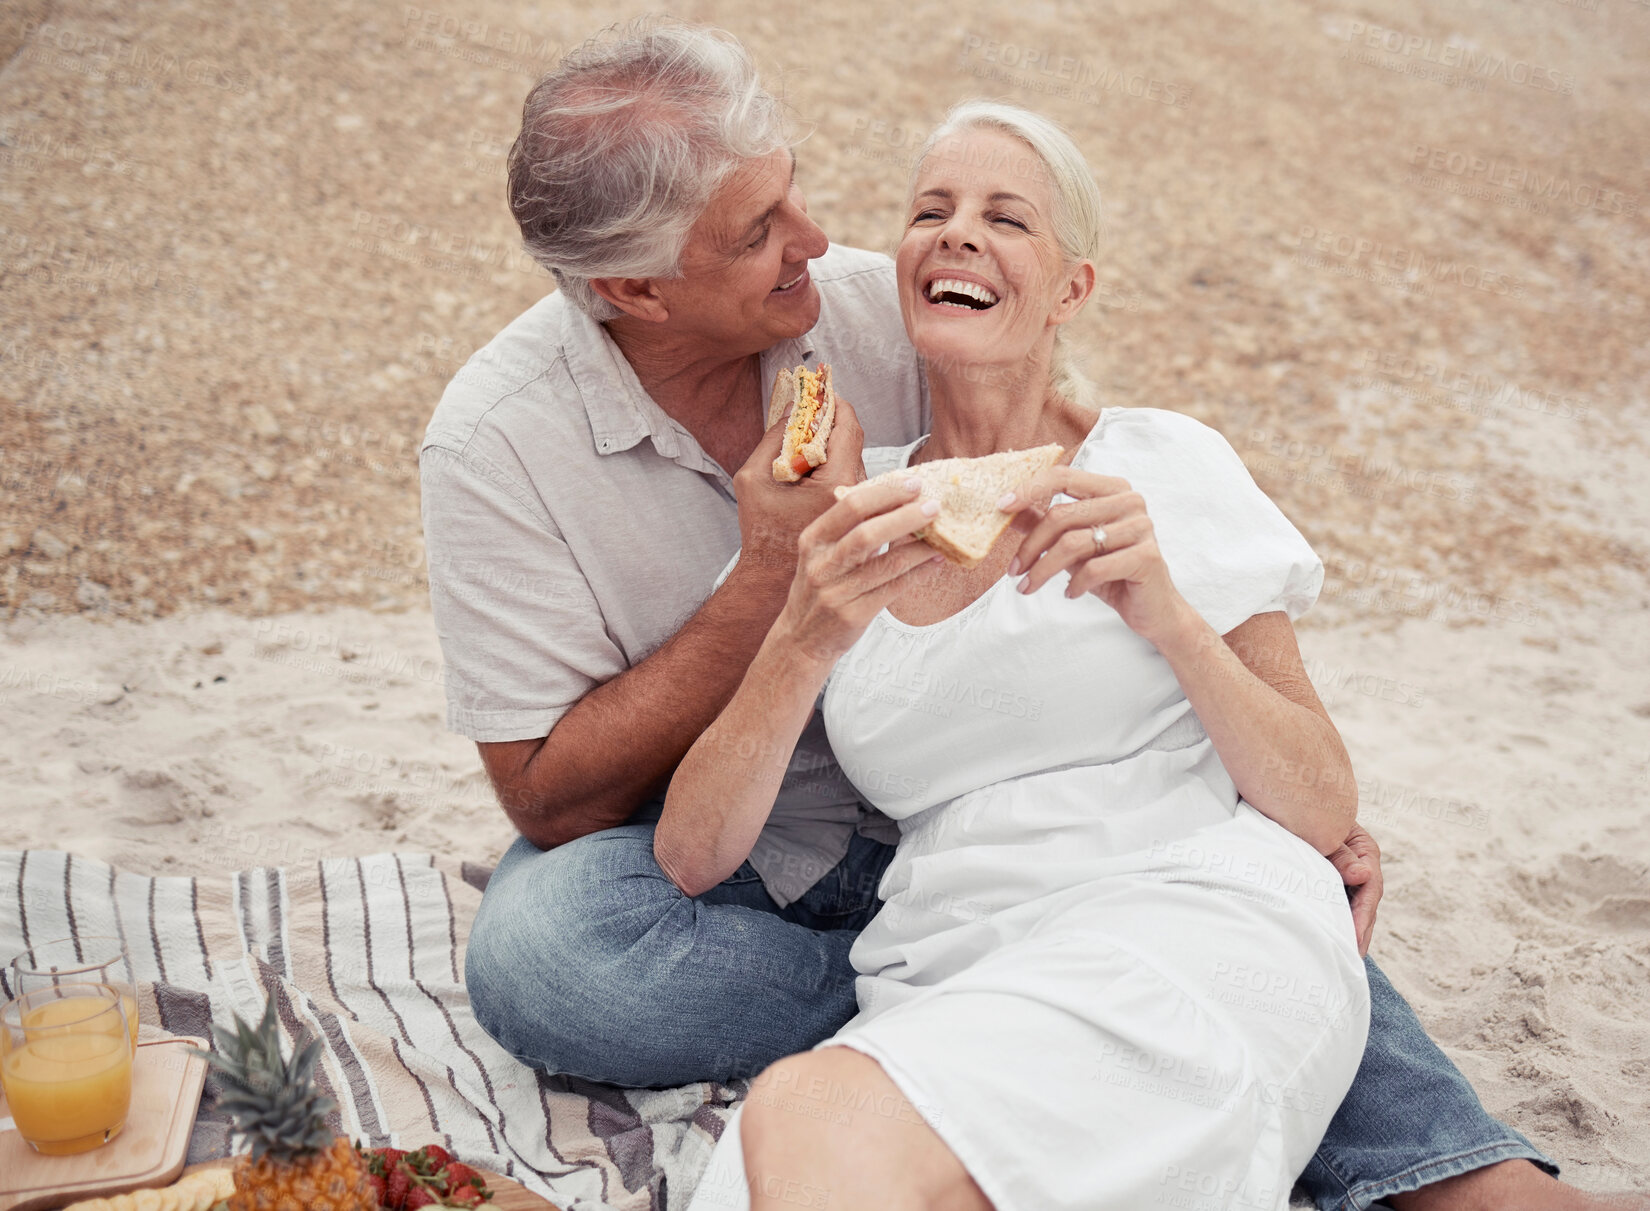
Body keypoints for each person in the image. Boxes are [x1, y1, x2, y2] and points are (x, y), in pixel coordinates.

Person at [420, 19, 1615, 1210]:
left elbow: (1045, 390)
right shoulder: (506, 447)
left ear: (1072, 283)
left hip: (1136, 882)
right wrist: (783, 591)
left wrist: (1211, 677)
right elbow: (563, 798)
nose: (819, 244)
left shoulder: (1099, 428)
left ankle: (1454, 1165)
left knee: (1228, 890)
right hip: (900, 902)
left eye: (1002, 218)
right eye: (762, 233)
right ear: (636, 289)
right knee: (545, 953)